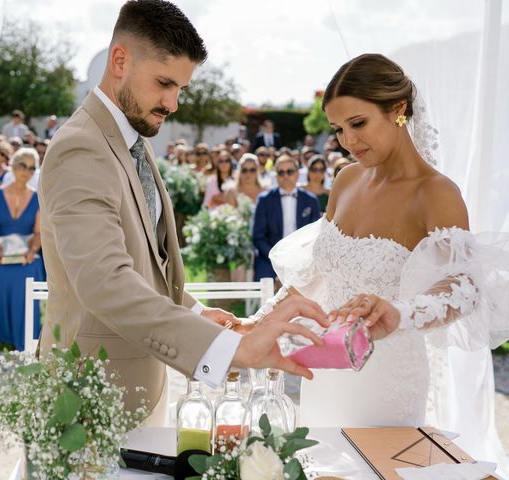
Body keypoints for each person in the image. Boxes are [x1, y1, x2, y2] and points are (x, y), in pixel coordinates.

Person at [37, 0, 328, 425]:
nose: (173, 103)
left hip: (138, 385)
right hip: (89, 400)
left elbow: (144, 263)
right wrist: (230, 350)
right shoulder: (81, 147)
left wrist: (193, 313)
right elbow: (104, 282)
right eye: (163, 83)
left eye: (180, 89)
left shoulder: (131, 139)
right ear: (120, 60)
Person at [254, 53, 509, 472]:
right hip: (325, 375)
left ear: (398, 110)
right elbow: (318, 273)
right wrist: (259, 323)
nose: (348, 141)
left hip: (386, 384)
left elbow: (462, 288)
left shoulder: (436, 193)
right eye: (338, 130)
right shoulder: (346, 180)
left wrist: (402, 312)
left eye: (357, 124)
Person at [0, 148, 45, 351]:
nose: (26, 171)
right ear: (13, 165)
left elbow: (39, 233)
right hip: (1, 253)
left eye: (32, 168)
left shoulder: (38, 198)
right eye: (22, 165)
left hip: (27, 255)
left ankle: (26, 333)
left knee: (28, 272)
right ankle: (2, 328)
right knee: (0, 272)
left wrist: (32, 251)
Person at [252, 154, 320, 283]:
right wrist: (275, 257)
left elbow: (315, 235)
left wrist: (300, 257)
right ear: (276, 176)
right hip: (271, 256)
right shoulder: (264, 200)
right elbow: (258, 237)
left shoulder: (310, 200)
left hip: (302, 257)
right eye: (281, 172)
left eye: (290, 171)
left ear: (298, 174)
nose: (286, 176)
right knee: (265, 275)